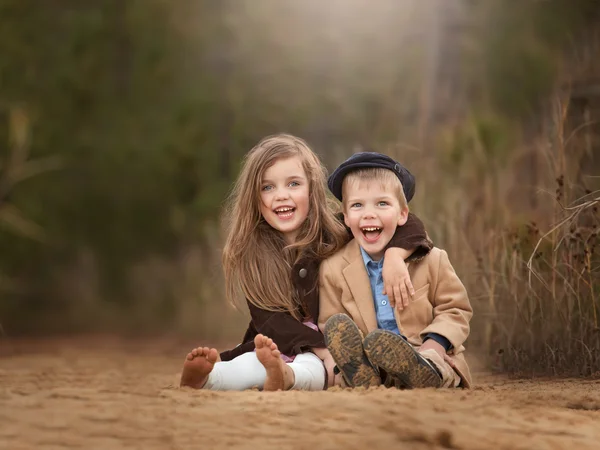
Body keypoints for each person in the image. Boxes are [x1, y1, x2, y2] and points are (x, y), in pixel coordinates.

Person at [179, 135, 432, 391]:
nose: (281, 196)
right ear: (255, 199)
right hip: (281, 339)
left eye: (293, 184)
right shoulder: (253, 254)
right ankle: (210, 377)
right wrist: (323, 348)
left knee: (310, 370)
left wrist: (395, 255)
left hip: (337, 343)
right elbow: (270, 321)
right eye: (267, 188)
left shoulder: (337, 230)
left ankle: (284, 376)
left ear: (312, 189)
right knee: (250, 362)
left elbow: (408, 222)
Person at [318, 152, 473, 389]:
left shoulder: (432, 259)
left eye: (382, 203)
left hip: (425, 351)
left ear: (402, 214)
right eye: (357, 205)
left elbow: (455, 308)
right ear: (346, 217)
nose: (369, 213)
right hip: (370, 358)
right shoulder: (333, 268)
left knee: (435, 363)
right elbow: (330, 321)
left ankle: (425, 373)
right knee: (352, 361)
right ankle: (364, 374)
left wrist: (436, 343)